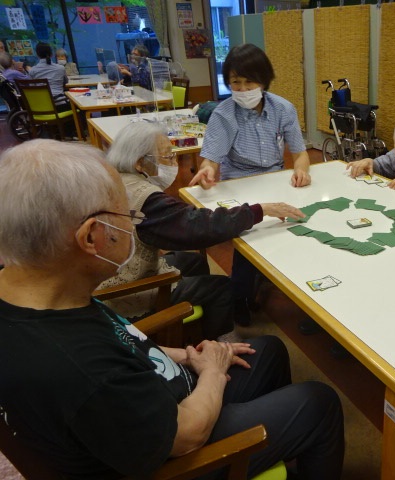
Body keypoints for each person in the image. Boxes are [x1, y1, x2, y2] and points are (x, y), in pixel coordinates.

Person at [0, 139, 344, 480]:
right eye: (127, 216)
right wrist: (211, 371)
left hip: (156, 398)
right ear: (91, 237)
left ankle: (271, 446)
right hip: (180, 450)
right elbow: (187, 436)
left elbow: (121, 340)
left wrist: (185, 355)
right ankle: (257, 447)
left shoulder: (36, 289)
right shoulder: (80, 369)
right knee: (318, 402)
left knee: (266, 350)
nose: (132, 225)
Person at [103, 121, 306, 335]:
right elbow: (200, 227)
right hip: (124, 293)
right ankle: (215, 346)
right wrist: (260, 210)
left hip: (111, 272)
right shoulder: (147, 199)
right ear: (139, 163)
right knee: (221, 287)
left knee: (194, 261)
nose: (174, 162)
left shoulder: (116, 179)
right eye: (167, 157)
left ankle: (193, 326)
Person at [189, 43, 312, 322]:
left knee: (296, 223)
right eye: (236, 83)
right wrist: (207, 171)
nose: (242, 90)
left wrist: (302, 170)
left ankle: (299, 289)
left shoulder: (283, 109)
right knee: (250, 233)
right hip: (239, 181)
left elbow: (300, 152)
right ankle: (240, 297)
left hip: (277, 177)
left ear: (264, 81)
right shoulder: (223, 114)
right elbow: (211, 160)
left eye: (249, 82)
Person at [28, 42, 69, 109]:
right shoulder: (60, 68)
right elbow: (65, 82)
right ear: (51, 54)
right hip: (60, 105)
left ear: (37, 55)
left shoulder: (32, 70)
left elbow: (32, 87)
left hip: (41, 107)